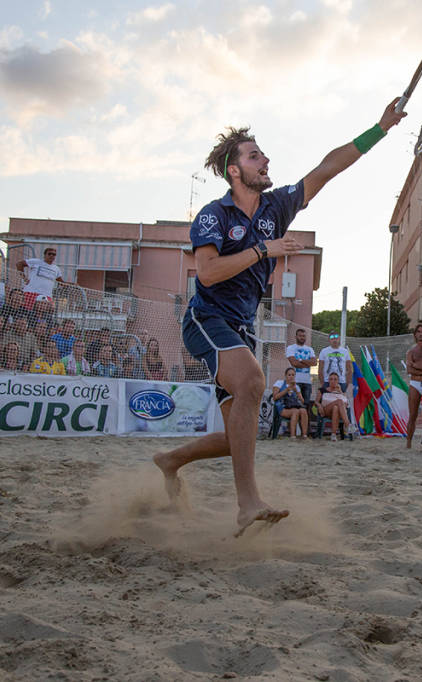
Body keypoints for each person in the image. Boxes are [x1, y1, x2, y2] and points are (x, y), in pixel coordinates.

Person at [154, 99, 407, 534]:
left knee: (242, 435)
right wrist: (261, 250)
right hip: (206, 319)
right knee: (253, 381)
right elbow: (209, 273)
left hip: (238, 327)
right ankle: (247, 503)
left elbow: (326, 169)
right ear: (235, 171)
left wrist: (379, 128)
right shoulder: (215, 215)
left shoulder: (275, 208)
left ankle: (171, 460)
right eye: (255, 155)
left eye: (262, 154)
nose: (265, 159)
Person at [272, 367, 309, 440]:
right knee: (295, 411)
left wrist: (296, 391)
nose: (291, 377)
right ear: (285, 375)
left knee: (303, 411)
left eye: (293, 375)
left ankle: (304, 435)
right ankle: (293, 436)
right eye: (289, 375)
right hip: (282, 407)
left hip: (293, 406)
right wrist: (286, 390)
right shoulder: (279, 383)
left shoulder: (296, 386)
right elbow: (275, 397)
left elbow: (302, 401)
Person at [285, 328, 317, 405]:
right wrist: (307, 363)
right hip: (294, 382)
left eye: (304, 336)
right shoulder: (290, 348)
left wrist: (300, 360)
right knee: (294, 404)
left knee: (305, 405)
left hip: (307, 382)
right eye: (300, 336)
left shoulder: (310, 349)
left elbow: (314, 363)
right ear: (296, 337)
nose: (302, 337)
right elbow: (294, 363)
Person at [318, 371, 350, 441]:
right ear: (328, 380)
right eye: (331, 379)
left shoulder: (341, 391)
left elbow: (346, 403)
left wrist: (340, 391)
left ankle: (333, 435)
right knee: (339, 401)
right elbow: (316, 402)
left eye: (335, 379)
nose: (333, 381)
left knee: (336, 408)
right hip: (326, 410)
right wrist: (319, 405)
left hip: (337, 411)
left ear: (338, 381)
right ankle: (347, 424)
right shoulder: (322, 390)